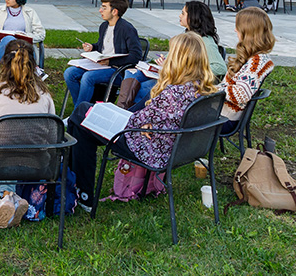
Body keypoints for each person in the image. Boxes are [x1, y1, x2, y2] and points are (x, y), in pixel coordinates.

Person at [68, 31, 218, 210]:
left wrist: (143, 120)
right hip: (171, 147)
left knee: (81, 114)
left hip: (148, 148)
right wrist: (148, 120)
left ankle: (79, 191)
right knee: (82, 122)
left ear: (178, 59)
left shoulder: (172, 93)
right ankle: (78, 190)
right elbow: (157, 116)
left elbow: (134, 121)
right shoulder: (202, 88)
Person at [0, 40, 56, 229]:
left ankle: (7, 196)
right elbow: (53, 137)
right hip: (38, 165)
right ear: (34, 64)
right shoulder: (44, 95)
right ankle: (12, 198)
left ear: (3, 63)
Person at [118, 0, 227, 109]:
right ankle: (122, 108)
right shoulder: (186, 35)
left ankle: (129, 113)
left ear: (193, 17)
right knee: (132, 72)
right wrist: (166, 61)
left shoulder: (206, 41)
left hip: (183, 80)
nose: (180, 15)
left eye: (183, 13)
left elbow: (220, 68)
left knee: (144, 87)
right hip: (171, 74)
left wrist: (186, 69)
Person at [63, 0, 142, 107]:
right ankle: (81, 108)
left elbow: (136, 56)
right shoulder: (104, 26)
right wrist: (92, 47)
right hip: (100, 65)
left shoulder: (127, 29)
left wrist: (110, 62)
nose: (100, 10)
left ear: (114, 11)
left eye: (104, 8)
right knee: (69, 73)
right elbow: (103, 47)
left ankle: (79, 112)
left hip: (117, 70)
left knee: (88, 77)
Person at [219, 7, 276, 126]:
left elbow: (241, 94)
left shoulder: (256, 62)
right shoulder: (254, 57)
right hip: (222, 113)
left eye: (238, 26)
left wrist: (212, 90)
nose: (235, 29)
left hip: (224, 118)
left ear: (248, 31)